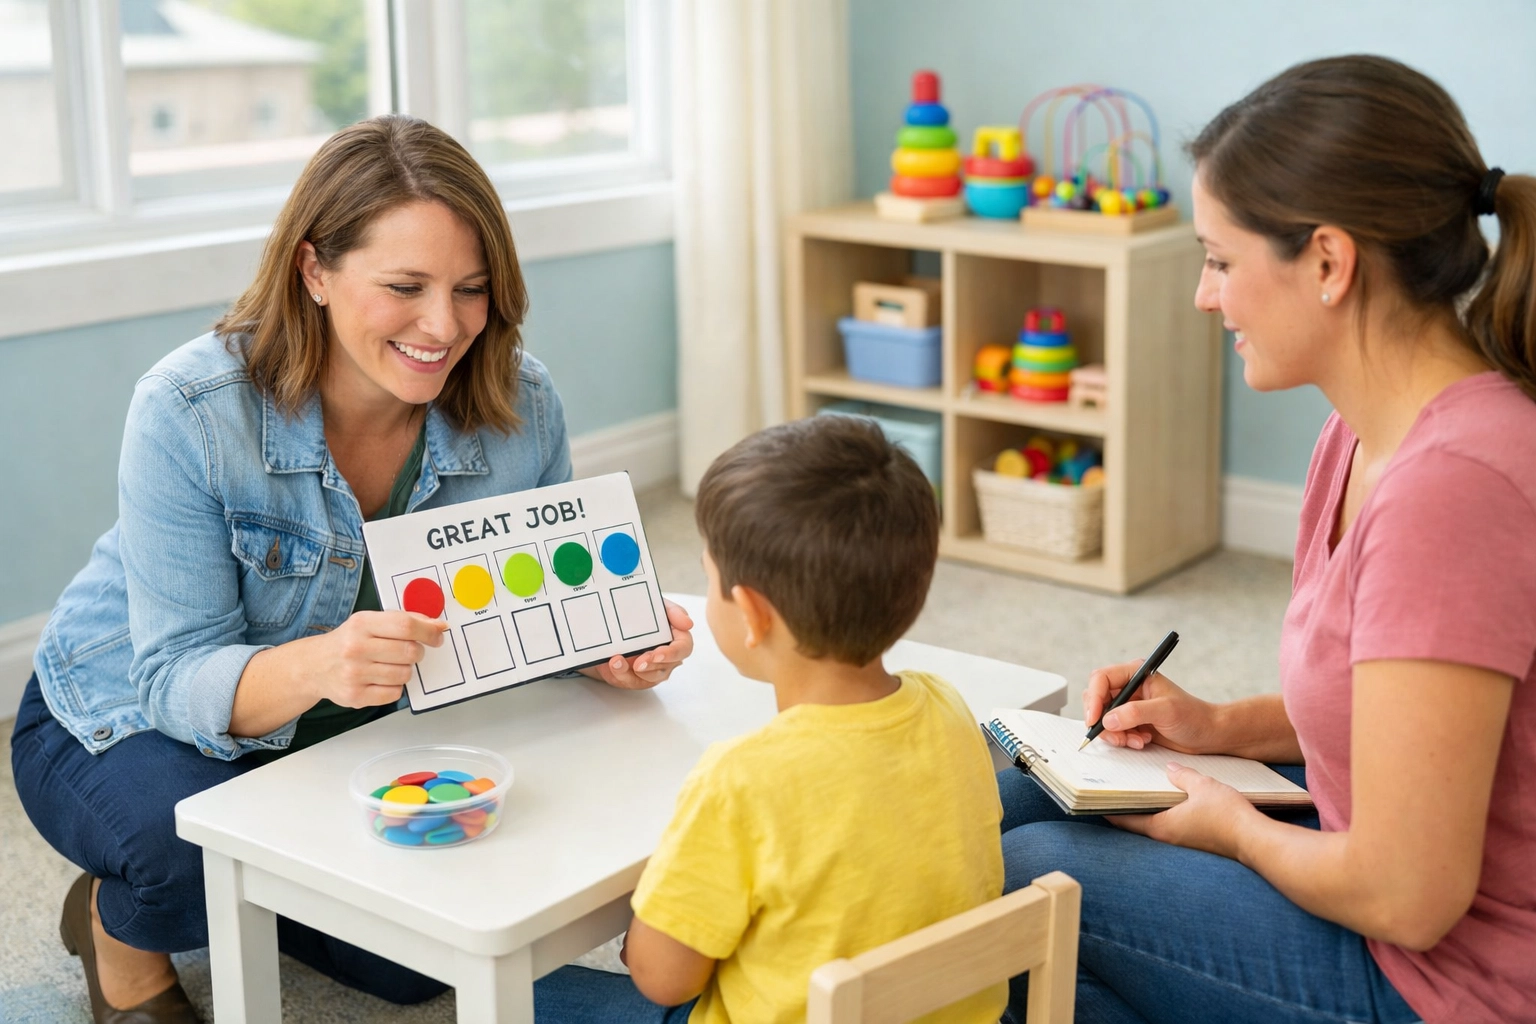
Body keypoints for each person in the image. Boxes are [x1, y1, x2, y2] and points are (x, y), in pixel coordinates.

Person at [9, 115, 694, 1024]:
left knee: (422, 957)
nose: (443, 326)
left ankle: (268, 891)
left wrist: (601, 648)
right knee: (185, 855)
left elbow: (525, 611)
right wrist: (324, 665)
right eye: (404, 286)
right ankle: (120, 934)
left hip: (346, 727)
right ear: (314, 270)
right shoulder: (190, 408)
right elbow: (173, 676)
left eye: (472, 289)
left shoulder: (520, 402)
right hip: (123, 710)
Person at [999, 54, 1536, 1024]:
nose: (1206, 298)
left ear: (1329, 261)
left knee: (1026, 875)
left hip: (1448, 981)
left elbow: (1409, 898)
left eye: (1219, 260)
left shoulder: (1454, 488)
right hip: (1376, 873)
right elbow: (1394, 706)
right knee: (1018, 795)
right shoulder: (1362, 428)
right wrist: (1216, 726)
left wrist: (1236, 831)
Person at [531, 415, 1006, 1023]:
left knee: (523, 998)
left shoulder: (740, 781)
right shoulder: (948, 708)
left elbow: (664, 980)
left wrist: (648, 933)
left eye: (709, 578)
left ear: (752, 614)